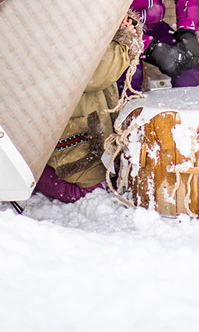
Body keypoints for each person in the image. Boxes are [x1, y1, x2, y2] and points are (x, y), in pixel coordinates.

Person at [36, 12, 143, 203]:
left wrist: (119, 28)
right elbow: (96, 75)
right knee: (90, 186)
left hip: (72, 116)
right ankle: (35, 173)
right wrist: (124, 41)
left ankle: (35, 170)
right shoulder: (64, 22)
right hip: (75, 123)